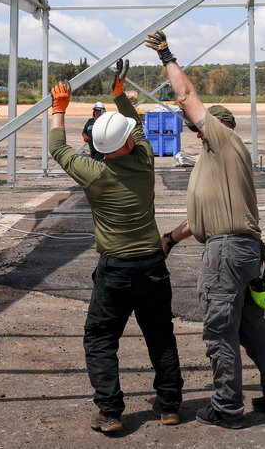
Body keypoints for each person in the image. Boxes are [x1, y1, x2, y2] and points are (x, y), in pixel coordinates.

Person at [149, 29, 265, 429]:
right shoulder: (216, 162)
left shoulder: (224, 142)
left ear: (212, 127)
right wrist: (171, 239)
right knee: (250, 326)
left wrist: (167, 55)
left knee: (220, 332)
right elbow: (203, 219)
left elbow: (185, 97)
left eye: (201, 125)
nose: (196, 128)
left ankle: (227, 408)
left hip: (227, 253)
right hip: (242, 249)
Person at [47, 61, 184, 434]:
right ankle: (169, 405)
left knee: (102, 338)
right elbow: (136, 126)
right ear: (125, 143)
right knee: (160, 335)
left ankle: (110, 412)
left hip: (116, 269)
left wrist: (58, 109)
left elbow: (57, 148)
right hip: (153, 264)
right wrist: (119, 95)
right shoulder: (144, 161)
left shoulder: (93, 173)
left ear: (94, 145)